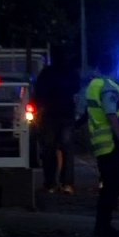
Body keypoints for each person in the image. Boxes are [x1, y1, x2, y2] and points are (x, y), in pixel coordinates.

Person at [85, 61, 119, 237]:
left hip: (102, 144)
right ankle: (103, 227)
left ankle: (103, 225)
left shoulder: (93, 85)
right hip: (111, 144)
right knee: (113, 186)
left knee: (109, 185)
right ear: (117, 69)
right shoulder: (108, 87)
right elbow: (111, 113)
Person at [32, 62, 80, 195]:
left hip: (50, 115)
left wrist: (38, 108)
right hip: (65, 114)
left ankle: (51, 183)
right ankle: (66, 184)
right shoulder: (71, 72)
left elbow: (38, 93)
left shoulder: (46, 73)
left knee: (49, 150)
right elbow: (77, 89)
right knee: (67, 150)